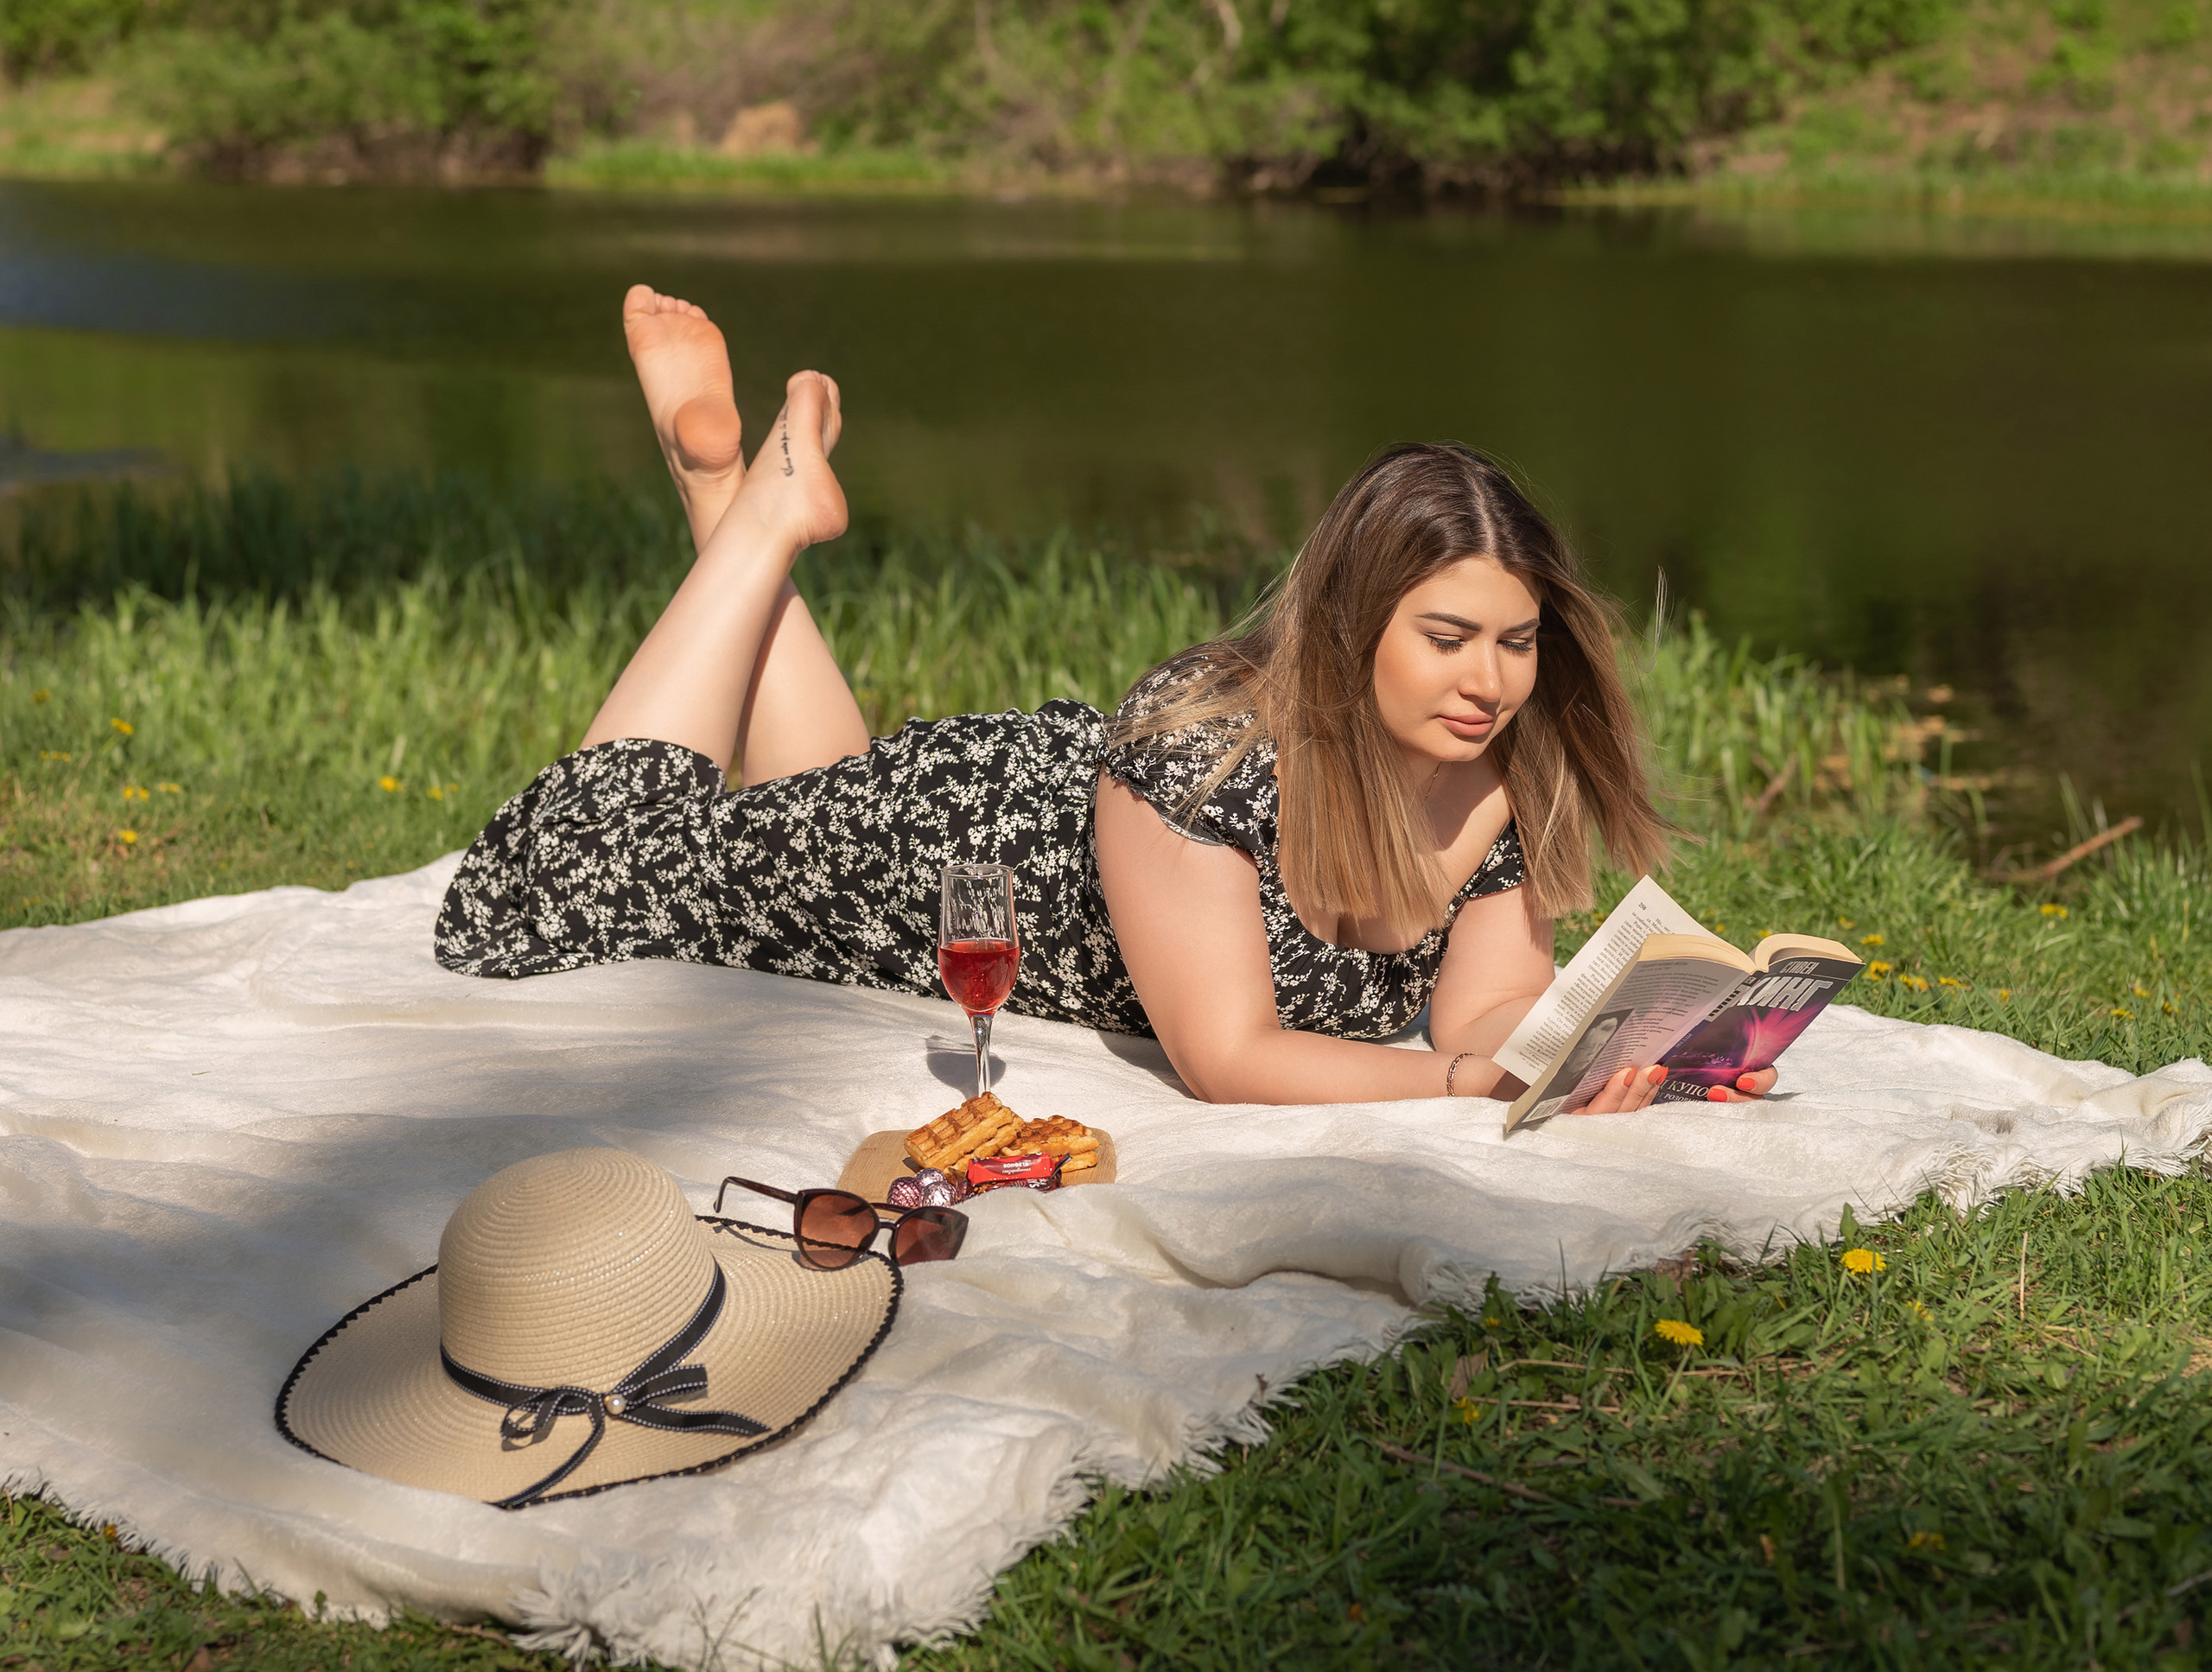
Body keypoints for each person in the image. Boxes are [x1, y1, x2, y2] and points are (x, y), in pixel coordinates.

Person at [435, 289, 1779, 1115]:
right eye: (1445, 638)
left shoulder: (1494, 779)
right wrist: (1461, 1085)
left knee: (790, 802)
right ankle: (761, 522)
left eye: (1516, 643)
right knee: (547, 892)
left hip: (970, 820)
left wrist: (1619, 1053)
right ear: (1358, 624)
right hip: (947, 845)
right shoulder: (1207, 755)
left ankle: (727, 491)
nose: (1489, 682)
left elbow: (1486, 1018)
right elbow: (1230, 1055)